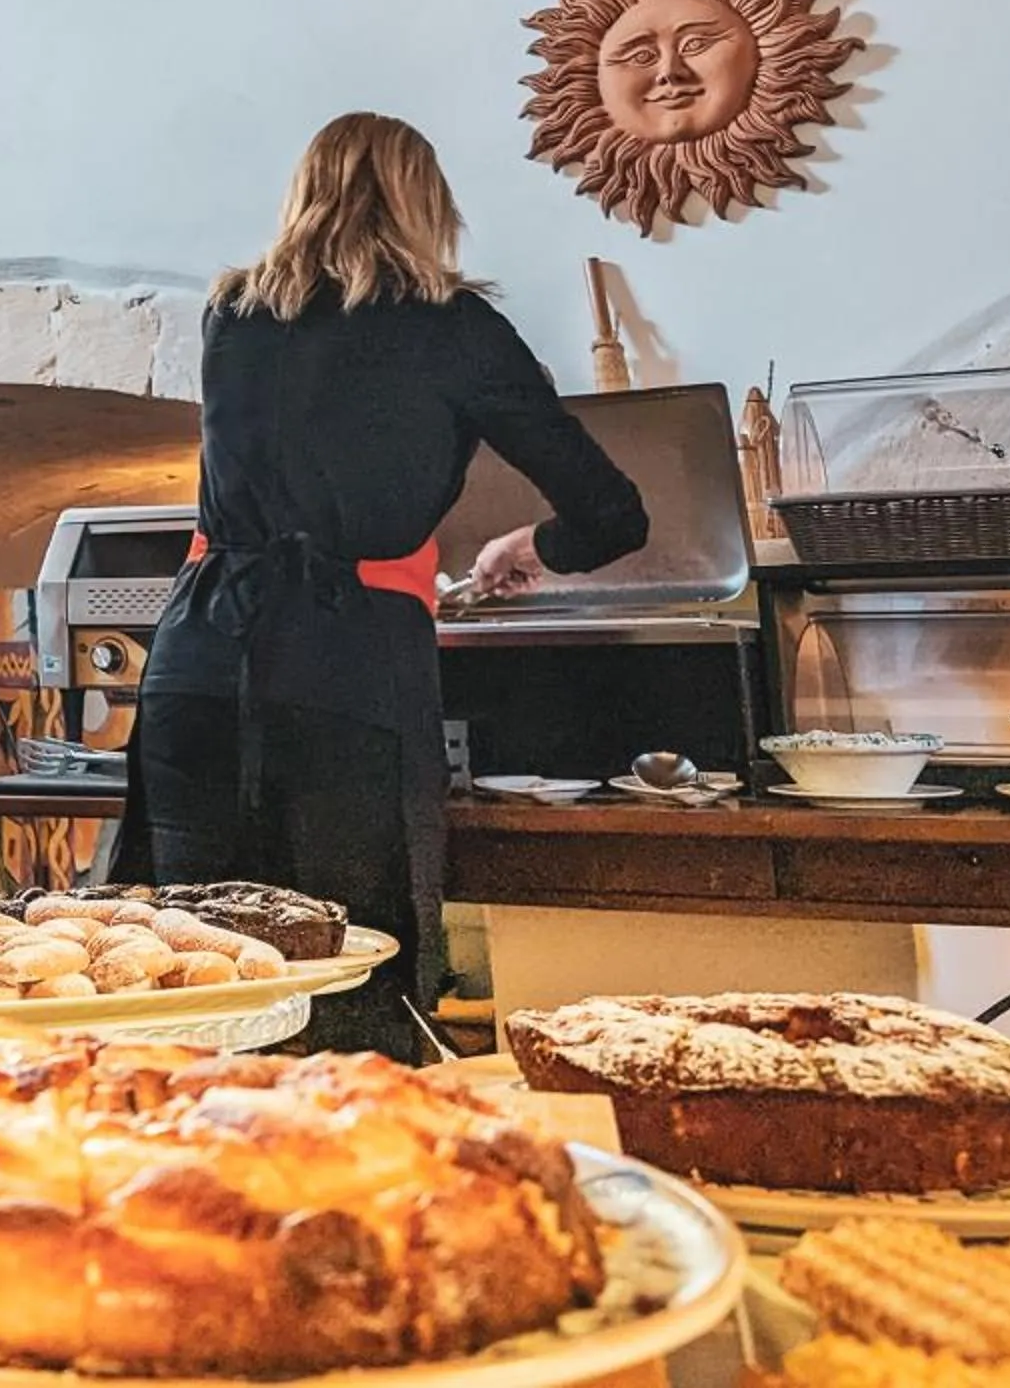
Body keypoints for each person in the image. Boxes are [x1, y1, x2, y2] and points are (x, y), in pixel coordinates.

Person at [128, 113, 646, 1060]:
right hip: (347, 667)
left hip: (196, 660)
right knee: (352, 967)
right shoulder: (457, 328)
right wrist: (533, 544)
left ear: (302, 197)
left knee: (185, 973)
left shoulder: (231, 312)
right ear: (429, 205)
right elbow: (614, 513)